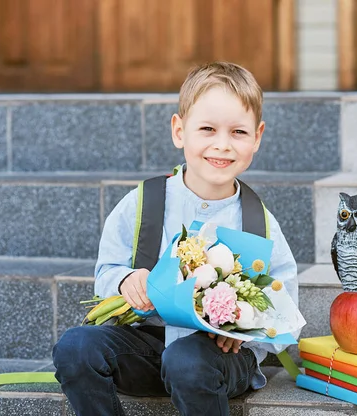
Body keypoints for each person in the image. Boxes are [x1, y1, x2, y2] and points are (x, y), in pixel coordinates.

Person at [52, 61, 299, 416]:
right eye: (208, 129)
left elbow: (282, 301)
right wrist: (125, 281)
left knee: (186, 359)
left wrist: (247, 329)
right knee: (75, 346)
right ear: (179, 131)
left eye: (238, 133)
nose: (223, 145)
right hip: (146, 349)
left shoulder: (258, 221)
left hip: (216, 360)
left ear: (257, 136)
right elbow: (106, 270)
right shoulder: (144, 202)